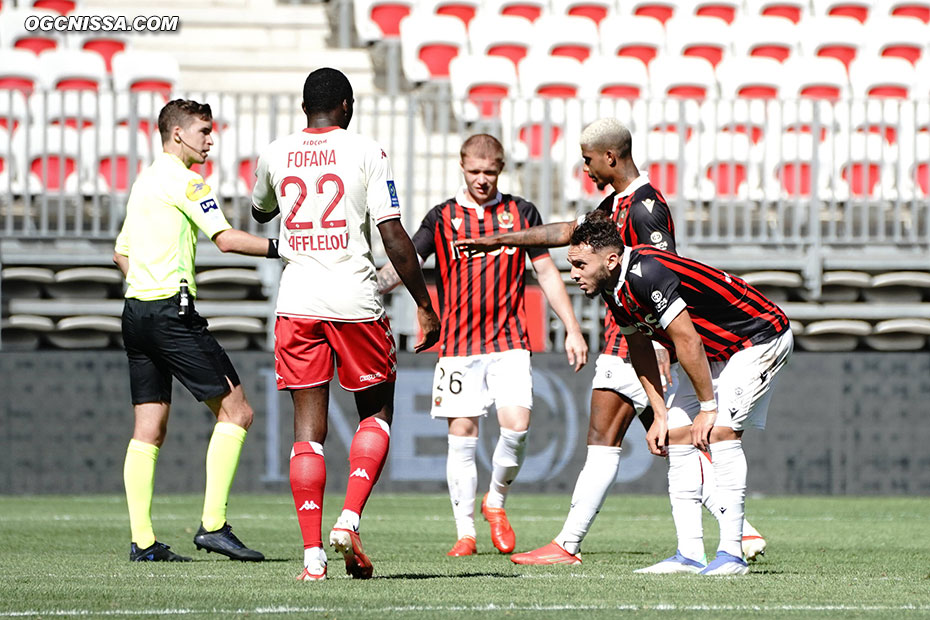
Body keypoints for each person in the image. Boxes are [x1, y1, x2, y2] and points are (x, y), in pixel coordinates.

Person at [455, 118, 766, 565]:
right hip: (629, 334)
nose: (585, 168)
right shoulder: (614, 203)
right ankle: (738, 530)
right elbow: (566, 232)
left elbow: (666, 276)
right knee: (667, 439)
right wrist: (497, 240)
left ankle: (568, 544)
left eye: (587, 160)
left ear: (610, 157)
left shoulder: (646, 207)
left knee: (617, 437)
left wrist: (662, 349)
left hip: (639, 339)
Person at [251, 67, 441, 581]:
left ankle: (312, 558)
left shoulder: (274, 151)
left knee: (306, 433)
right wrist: (423, 301)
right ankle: (350, 518)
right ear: (348, 106)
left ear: (304, 106)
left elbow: (261, 211)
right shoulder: (366, 150)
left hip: (297, 301)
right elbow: (394, 235)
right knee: (375, 414)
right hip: (354, 301)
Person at [377, 134, 588, 557]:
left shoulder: (521, 212)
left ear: (501, 169)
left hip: (509, 340)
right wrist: (371, 292)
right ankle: (465, 533)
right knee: (462, 433)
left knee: (518, 426)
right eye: (475, 172)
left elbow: (546, 273)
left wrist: (572, 326)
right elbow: (403, 264)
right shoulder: (442, 217)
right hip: (457, 346)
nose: (482, 180)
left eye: (490, 172)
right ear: (462, 166)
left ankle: (495, 500)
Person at [566, 213, 793, 575]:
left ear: (610, 260)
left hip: (759, 336)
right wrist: (658, 412)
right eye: (571, 264)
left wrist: (707, 407)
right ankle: (689, 554)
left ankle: (733, 554)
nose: (574, 273)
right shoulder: (611, 287)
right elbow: (639, 347)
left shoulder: (647, 272)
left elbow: (687, 340)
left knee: (720, 431)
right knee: (674, 433)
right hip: (719, 350)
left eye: (580, 264)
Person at [114, 98, 277, 563]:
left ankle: (143, 543)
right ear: (178, 134)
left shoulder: (144, 181)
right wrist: (286, 249)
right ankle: (213, 526)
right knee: (238, 413)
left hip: (137, 313)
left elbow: (120, 253)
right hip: (171, 314)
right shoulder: (187, 182)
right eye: (204, 130)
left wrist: (148, 284)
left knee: (148, 430)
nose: (211, 139)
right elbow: (225, 239)